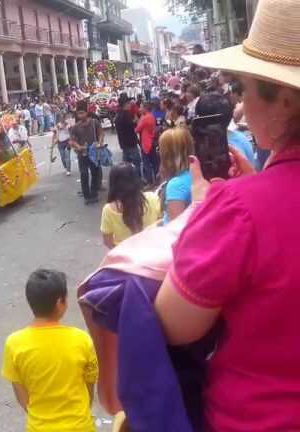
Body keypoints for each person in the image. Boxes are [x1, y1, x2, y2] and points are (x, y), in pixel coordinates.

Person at [155, 2, 300, 428]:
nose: (240, 106)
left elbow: (172, 323)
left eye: (245, 89)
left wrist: (203, 216)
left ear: (286, 102)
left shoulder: (239, 209)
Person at [1, 269, 98, 432]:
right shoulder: (81, 339)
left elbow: (20, 394)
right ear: (60, 303)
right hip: (79, 426)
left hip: (39, 427)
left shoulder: (14, 343)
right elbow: (90, 385)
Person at [100, 163, 161, 249]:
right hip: (153, 250)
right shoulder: (153, 198)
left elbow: (107, 241)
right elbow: (161, 224)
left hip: (125, 256)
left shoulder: (109, 210)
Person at [70, 101, 104, 205]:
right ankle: (87, 196)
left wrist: (99, 143)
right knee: (84, 174)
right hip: (82, 154)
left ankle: (94, 194)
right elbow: (72, 141)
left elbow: (101, 133)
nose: (81, 115)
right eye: (79, 113)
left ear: (87, 112)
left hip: (93, 153)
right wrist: (78, 147)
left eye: (82, 113)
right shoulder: (76, 127)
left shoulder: (94, 122)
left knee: (95, 173)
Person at [114, 95, 141, 177]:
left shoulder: (118, 115)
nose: (130, 105)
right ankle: (137, 180)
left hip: (124, 143)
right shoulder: (126, 115)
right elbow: (132, 127)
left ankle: (127, 181)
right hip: (130, 143)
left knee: (126, 164)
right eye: (129, 103)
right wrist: (136, 121)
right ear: (125, 104)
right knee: (136, 163)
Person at [135, 102, 159, 185]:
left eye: (141, 107)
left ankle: (150, 182)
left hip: (146, 143)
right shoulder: (151, 116)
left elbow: (137, 129)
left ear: (145, 108)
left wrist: (139, 120)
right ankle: (157, 180)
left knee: (146, 164)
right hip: (152, 141)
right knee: (154, 162)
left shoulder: (145, 118)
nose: (139, 109)